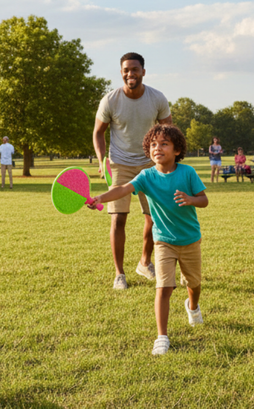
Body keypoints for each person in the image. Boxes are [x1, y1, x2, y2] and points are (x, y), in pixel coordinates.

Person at [87, 124, 208, 356]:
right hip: (163, 241)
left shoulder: (188, 173)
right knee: (163, 287)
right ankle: (162, 337)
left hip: (190, 239)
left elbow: (204, 200)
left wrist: (191, 199)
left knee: (193, 283)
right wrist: (100, 197)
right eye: (153, 144)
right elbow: (122, 189)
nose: (157, 148)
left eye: (164, 144)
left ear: (177, 150)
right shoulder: (146, 176)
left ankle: (193, 307)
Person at [93, 52, 173, 290]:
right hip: (120, 164)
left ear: (143, 72)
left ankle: (144, 262)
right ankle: (119, 274)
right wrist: (102, 160)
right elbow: (98, 132)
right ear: (121, 73)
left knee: (154, 217)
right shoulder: (110, 100)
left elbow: (169, 131)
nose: (131, 74)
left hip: (150, 165)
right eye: (126, 70)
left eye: (135, 69)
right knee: (118, 218)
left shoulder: (157, 98)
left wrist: (165, 160)